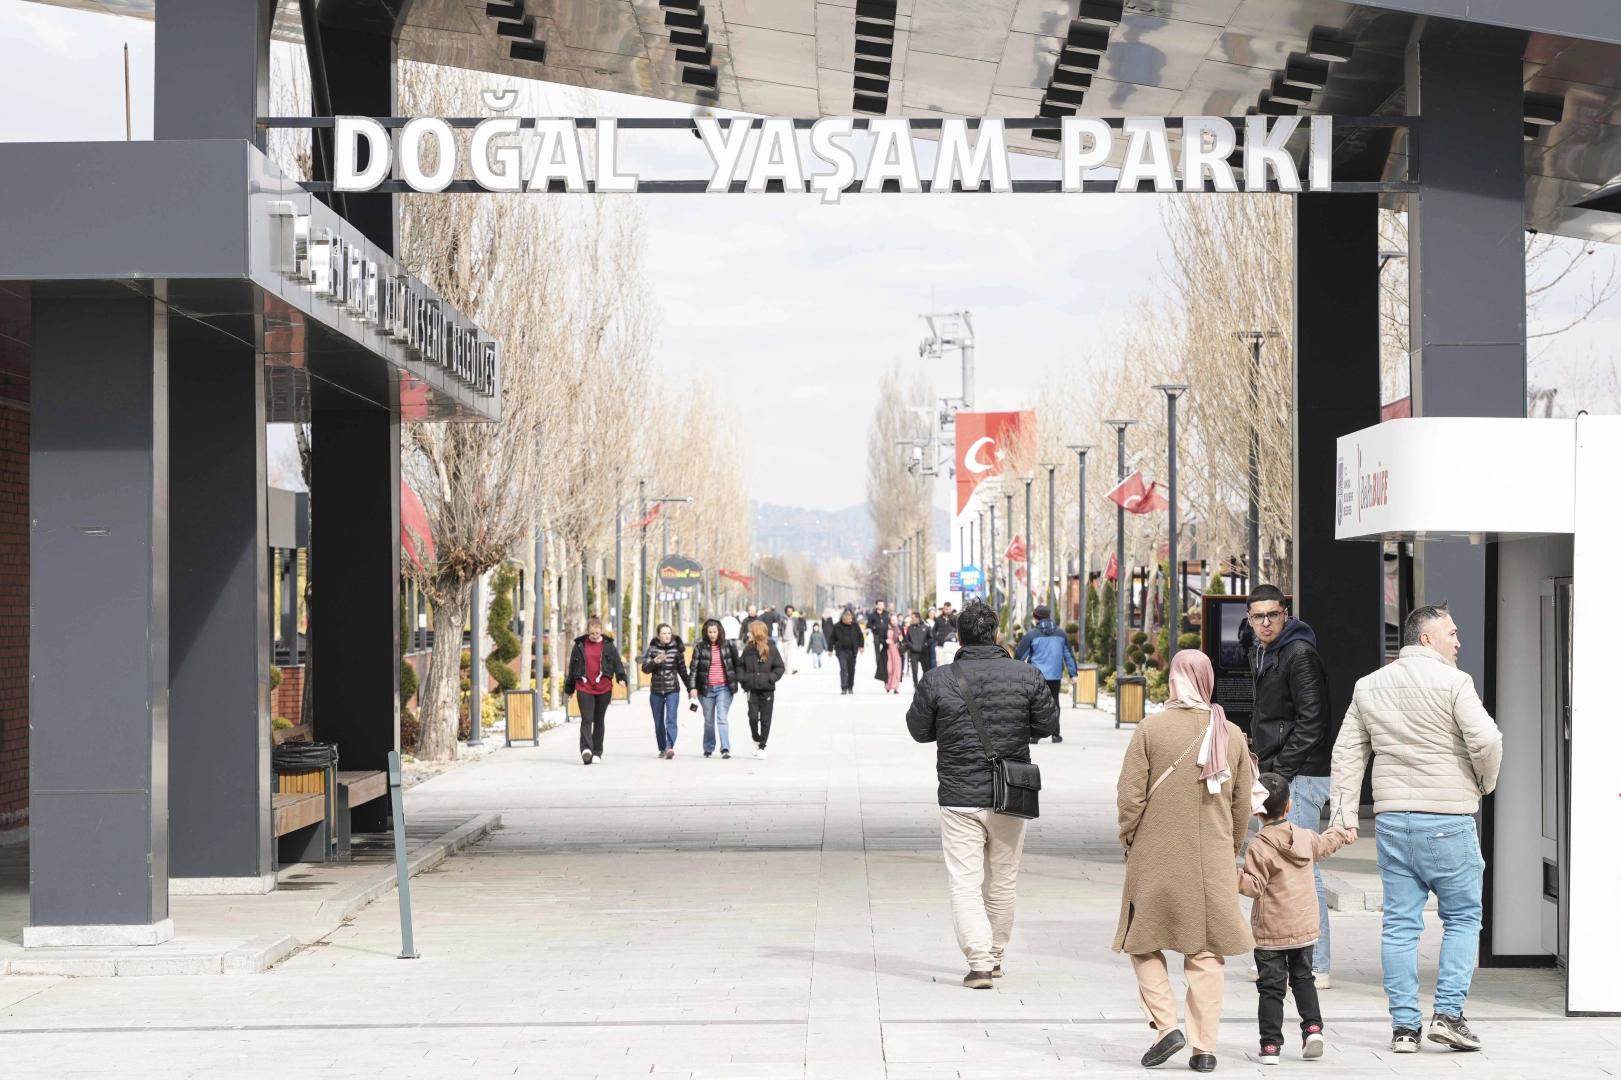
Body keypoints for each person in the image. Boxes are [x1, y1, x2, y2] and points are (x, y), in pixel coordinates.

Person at [1328, 604, 1503, 1055]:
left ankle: (1405, 1029)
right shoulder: (1455, 682)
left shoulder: (1368, 685)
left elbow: (1347, 753)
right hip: (1447, 820)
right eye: (1452, 633)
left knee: (1400, 927)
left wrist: (1344, 815)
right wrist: (1484, 782)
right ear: (1426, 638)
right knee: (1463, 918)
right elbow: (1487, 739)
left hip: (1392, 822)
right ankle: (1448, 1015)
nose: (1458, 642)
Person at [1115, 648, 1255, 1073]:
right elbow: (1242, 807)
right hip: (1212, 859)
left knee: (1142, 941)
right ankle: (1203, 1048)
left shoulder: (1150, 729)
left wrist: (1130, 839)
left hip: (1155, 854)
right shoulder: (1232, 734)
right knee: (1207, 954)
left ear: (1174, 678)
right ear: (1207, 680)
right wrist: (1227, 849)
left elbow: (1129, 797)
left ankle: (1166, 1027)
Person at [905, 601, 1057, 988]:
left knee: (965, 883)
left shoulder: (937, 679)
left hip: (959, 795)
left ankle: (980, 964)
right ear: (997, 635)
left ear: (958, 637)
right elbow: (1047, 724)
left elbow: (919, 731)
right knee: (1003, 880)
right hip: (1011, 793)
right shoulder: (1027, 675)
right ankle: (996, 956)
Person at [1244, 583, 1336, 986]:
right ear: (1249, 620)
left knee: (1302, 870)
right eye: (1258, 616)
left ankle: (1317, 964)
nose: (1265, 622)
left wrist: (1279, 773)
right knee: (1280, 868)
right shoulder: (1266, 652)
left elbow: (1312, 722)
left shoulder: (1299, 653)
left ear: (1286, 613)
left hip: (1299, 775)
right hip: (1281, 773)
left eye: (1272, 614)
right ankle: (1282, 960)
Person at [1240, 772, 1347, 1065]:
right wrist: (1341, 832)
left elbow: (1254, 886)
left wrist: (1230, 874)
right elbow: (1326, 843)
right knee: (1303, 979)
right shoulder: (1305, 837)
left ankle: (1270, 1047)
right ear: (1288, 806)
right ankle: (1312, 1029)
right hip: (1304, 929)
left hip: (1271, 932)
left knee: (1271, 989)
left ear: (1256, 810)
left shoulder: (1259, 847)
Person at [563, 616, 628, 765]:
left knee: (599, 720)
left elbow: (617, 663)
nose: (594, 636)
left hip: (603, 687)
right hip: (584, 686)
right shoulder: (579, 645)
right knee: (587, 718)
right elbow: (572, 667)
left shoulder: (609, 646)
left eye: (597, 633)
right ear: (588, 630)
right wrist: (570, 688)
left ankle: (597, 752)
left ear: (601, 630)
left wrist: (621, 677)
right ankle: (586, 750)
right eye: (592, 633)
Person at [1012, 604, 1077, 744]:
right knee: (1054, 703)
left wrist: (1013, 672)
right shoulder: (1061, 634)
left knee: (1036, 704)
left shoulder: (1031, 635)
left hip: (1036, 676)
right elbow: (1068, 655)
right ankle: (1056, 734)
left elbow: (1020, 655)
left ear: (1036, 618)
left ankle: (1035, 735)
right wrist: (1073, 674)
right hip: (1055, 676)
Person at [690, 618, 739, 759]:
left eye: (714, 632)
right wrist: (692, 687)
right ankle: (708, 747)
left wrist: (742, 682)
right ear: (706, 633)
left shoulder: (729, 645)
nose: (712, 635)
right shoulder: (700, 647)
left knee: (722, 717)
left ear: (719, 632)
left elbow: (737, 665)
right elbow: (694, 668)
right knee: (709, 721)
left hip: (724, 688)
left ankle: (725, 749)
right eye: (709, 632)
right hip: (706, 690)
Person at [640, 623, 690, 759]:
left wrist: (690, 688)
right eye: (664, 633)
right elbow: (645, 669)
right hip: (656, 691)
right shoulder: (652, 650)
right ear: (658, 636)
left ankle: (670, 746)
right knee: (658, 722)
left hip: (672, 689)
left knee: (671, 719)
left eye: (669, 633)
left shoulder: (677, 650)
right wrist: (654, 661)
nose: (667, 636)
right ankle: (662, 748)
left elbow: (683, 672)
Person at [739, 620, 784, 758]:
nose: (747, 634)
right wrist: (744, 680)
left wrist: (770, 678)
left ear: (757, 633)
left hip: (767, 690)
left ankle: (762, 746)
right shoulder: (748, 649)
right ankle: (755, 738)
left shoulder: (772, 648)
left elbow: (780, 667)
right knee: (752, 717)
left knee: (766, 718)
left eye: (750, 631)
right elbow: (740, 666)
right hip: (752, 689)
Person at [829, 609, 864, 693]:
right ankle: (844, 687)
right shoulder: (837, 626)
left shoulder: (855, 625)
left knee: (851, 669)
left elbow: (860, 636)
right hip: (841, 651)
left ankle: (850, 687)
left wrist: (861, 646)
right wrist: (830, 650)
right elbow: (831, 638)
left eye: (851, 618)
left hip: (852, 650)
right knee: (844, 669)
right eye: (848, 619)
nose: (850, 620)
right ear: (843, 619)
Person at [904, 612, 933, 688]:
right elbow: (907, 639)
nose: (912, 620)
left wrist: (926, 644)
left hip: (923, 652)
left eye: (913, 618)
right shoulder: (910, 628)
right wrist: (911, 645)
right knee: (914, 671)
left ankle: (924, 686)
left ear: (918, 618)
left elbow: (930, 638)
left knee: (926, 670)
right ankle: (916, 686)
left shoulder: (926, 627)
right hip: (913, 652)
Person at [868, 601, 892, 686]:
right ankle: (879, 664)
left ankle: (887, 662)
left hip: (886, 633)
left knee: (886, 648)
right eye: (879, 604)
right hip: (877, 633)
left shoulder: (887, 614)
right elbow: (869, 624)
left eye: (882, 604)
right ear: (876, 605)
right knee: (877, 650)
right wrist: (874, 627)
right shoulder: (872, 615)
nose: (881, 606)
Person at [884, 619, 905, 694]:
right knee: (889, 669)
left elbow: (904, 641)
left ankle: (895, 687)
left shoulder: (900, 629)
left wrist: (901, 640)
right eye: (892, 620)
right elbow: (881, 639)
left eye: (895, 620)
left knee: (897, 669)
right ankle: (888, 686)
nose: (894, 621)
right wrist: (885, 641)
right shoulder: (886, 628)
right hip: (888, 651)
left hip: (897, 651)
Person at [778, 604, 799, 674]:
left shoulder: (794, 619)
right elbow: (779, 628)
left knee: (792, 654)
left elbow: (797, 629)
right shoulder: (783, 619)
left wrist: (797, 637)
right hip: (785, 639)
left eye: (791, 611)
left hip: (792, 638)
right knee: (786, 655)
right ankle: (786, 669)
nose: (789, 612)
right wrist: (780, 636)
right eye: (788, 611)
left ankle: (793, 668)